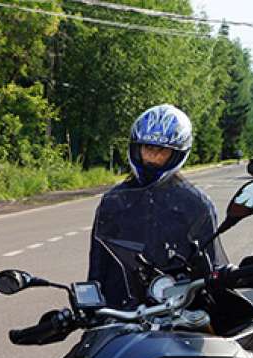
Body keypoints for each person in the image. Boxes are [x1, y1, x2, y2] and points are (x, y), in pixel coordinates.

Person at [88, 104, 227, 308]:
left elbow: (209, 267)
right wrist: (93, 308)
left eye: (161, 151)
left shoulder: (195, 204)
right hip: (119, 311)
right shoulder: (114, 200)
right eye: (148, 148)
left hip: (174, 308)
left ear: (177, 153)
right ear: (137, 148)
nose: (152, 157)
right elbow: (98, 263)